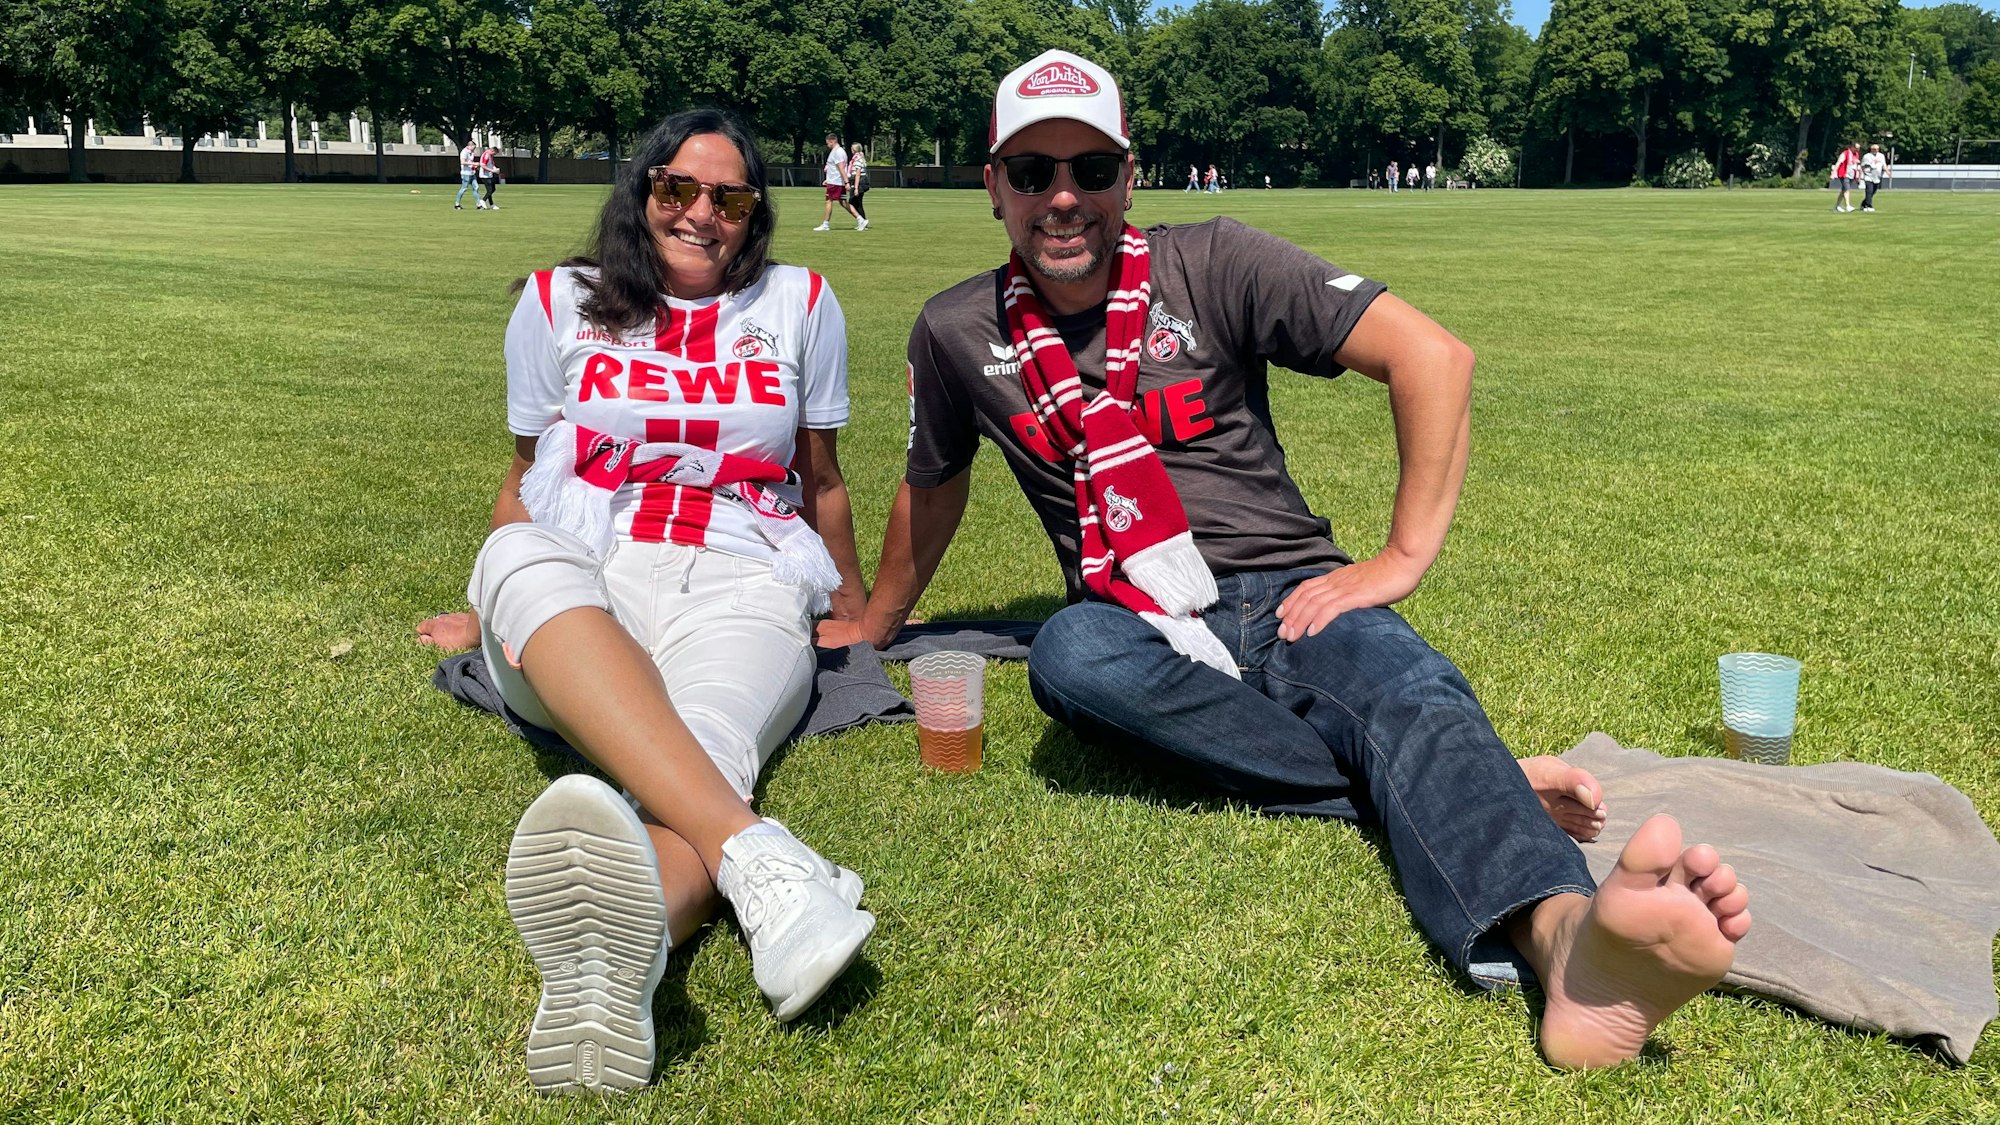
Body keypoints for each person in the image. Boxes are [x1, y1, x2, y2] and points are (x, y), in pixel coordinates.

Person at [820, 49, 1751, 1071]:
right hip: (1129, 619)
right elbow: (933, 485)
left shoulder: (1214, 260)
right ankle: (1467, 788)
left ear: (1130, 175)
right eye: (1033, 172)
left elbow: (1432, 356)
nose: (1064, 197)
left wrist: (1399, 558)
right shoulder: (956, 329)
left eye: (1091, 169)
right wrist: (874, 624)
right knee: (1067, 657)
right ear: (993, 184)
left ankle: (1568, 943)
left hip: (1290, 588)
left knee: (1409, 690)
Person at [418, 107, 876, 1093]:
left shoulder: (799, 301)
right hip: (590, 578)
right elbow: (523, 478)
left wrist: (857, 606)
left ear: (753, 216)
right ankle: (768, 866)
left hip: (745, 574)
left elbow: (822, 477)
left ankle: (623, 957)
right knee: (513, 554)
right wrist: (490, 615)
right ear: (643, 192)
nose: (701, 213)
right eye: (678, 188)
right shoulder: (558, 300)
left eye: (730, 199)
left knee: (704, 753)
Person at [815, 133, 859, 231]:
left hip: (835, 182)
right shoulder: (836, 151)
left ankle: (826, 224)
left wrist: (846, 182)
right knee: (843, 202)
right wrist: (827, 179)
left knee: (829, 200)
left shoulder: (838, 152)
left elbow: (841, 168)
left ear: (832, 141)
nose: (827, 145)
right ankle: (861, 220)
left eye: (828, 143)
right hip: (834, 181)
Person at [847, 143, 871, 230]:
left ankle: (862, 221)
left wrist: (856, 188)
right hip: (858, 182)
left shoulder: (857, 159)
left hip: (859, 183)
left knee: (852, 203)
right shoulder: (858, 158)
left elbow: (858, 174)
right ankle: (863, 222)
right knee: (858, 204)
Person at [1859, 143, 1890, 212]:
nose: (1876, 150)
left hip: (1877, 177)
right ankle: (1869, 206)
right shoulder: (1866, 156)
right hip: (1868, 176)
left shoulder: (1881, 156)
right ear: (1871, 149)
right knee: (1869, 191)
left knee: (1873, 191)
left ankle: (1863, 204)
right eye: (1874, 149)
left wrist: (1887, 171)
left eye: (1877, 149)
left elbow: (1884, 164)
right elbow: (1862, 166)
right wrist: (1862, 174)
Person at [1831, 142, 1860, 213]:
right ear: (1852, 147)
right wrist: (1833, 173)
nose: (1857, 150)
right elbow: (1838, 163)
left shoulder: (1856, 154)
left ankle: (1837, 206)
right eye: (1856, 148)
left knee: (1843, 190)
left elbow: (1856, 165)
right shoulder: (1845, 154)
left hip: (1851, 175)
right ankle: (1848, 206)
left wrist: (1857, 175)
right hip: (1844, 174)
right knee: (1847, 189)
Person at [455, 139, 480, 210]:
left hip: (472, 173)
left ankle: (478, 204)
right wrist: (473, 163)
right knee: (464, 188)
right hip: (466, 173)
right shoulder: (464, 152)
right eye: (473, 148)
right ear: (469, 146)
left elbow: (470, 161)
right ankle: (457, 204)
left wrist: (474, 166)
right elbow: (462, 162)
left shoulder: (471, 153)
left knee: (476, 187)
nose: (474, 149)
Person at [477, 146, 502, 211]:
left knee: (492, 189)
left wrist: (495, 169)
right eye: (494, 153)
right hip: (484, 175)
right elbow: (483, 165)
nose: (494, 155)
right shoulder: (486, 155)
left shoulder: (490, 156)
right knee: (490, 190)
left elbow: (492, 164)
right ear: (492, 151)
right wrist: (492, 170)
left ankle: (491, 205)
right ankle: (483, 200)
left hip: (489, 175)